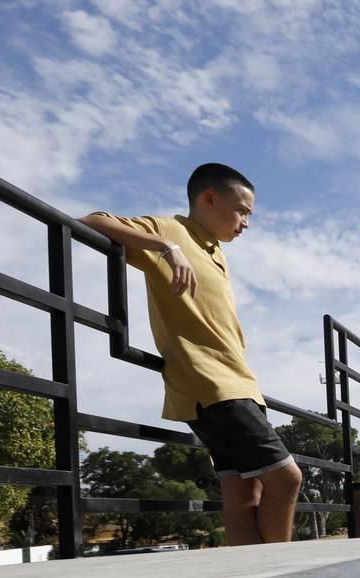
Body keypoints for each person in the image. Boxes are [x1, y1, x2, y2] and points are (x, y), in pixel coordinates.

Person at [79, 164, 302, 545]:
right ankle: (280, 570)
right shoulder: (172, 231)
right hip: (209, 384)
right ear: (209, 198)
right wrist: (166, 248)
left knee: (245, 491)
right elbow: (91, 220)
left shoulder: (216, 251)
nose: (246, 223)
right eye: (242, 211)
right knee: (286, 477)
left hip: (241, 383)